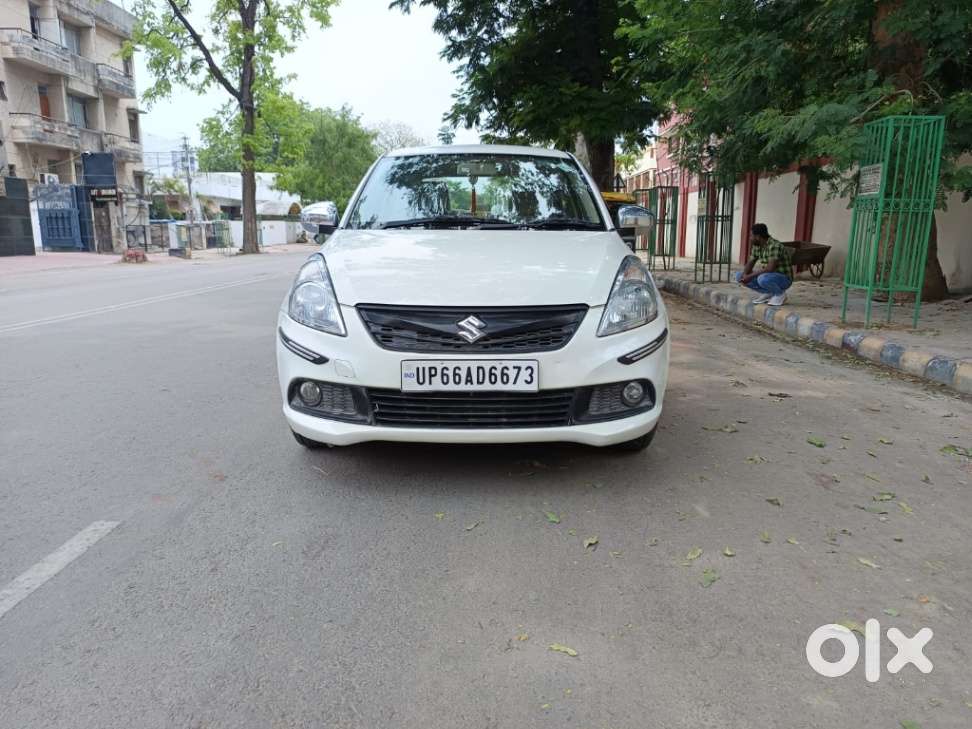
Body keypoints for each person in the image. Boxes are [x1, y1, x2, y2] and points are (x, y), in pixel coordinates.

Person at [735, 223, 794, 306]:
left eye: (751, 236)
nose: (750, 238)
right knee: (739, 275)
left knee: (762, 278)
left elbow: (770, 268)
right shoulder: (757, 246)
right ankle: (769, 293)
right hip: (769, 276)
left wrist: (750, 276)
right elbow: (750, 262)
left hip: (784, 279)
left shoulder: (774, 246)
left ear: (758, 237)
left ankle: (780, 294)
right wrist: (745, 275)